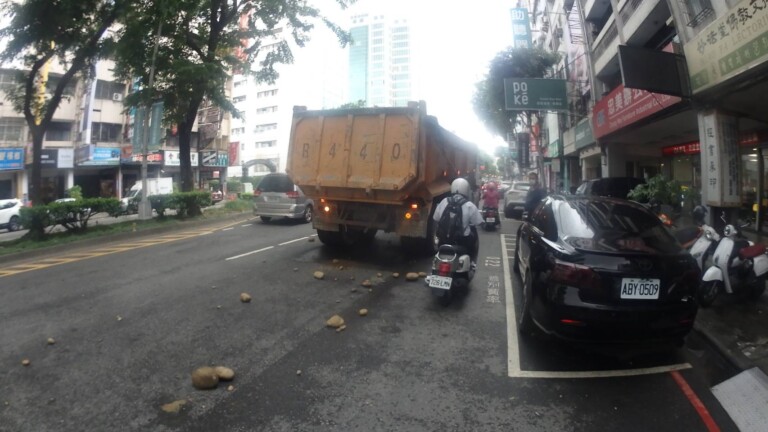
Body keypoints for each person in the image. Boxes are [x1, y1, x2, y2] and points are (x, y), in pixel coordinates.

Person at [433, 178, 484, 263]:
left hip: (442, 242)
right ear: (466, 190)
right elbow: (478, 222)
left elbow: (436, 218)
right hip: (462, 243)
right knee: (473, 232)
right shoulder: (469, 205)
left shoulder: (444, 201)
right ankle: (472, 262)